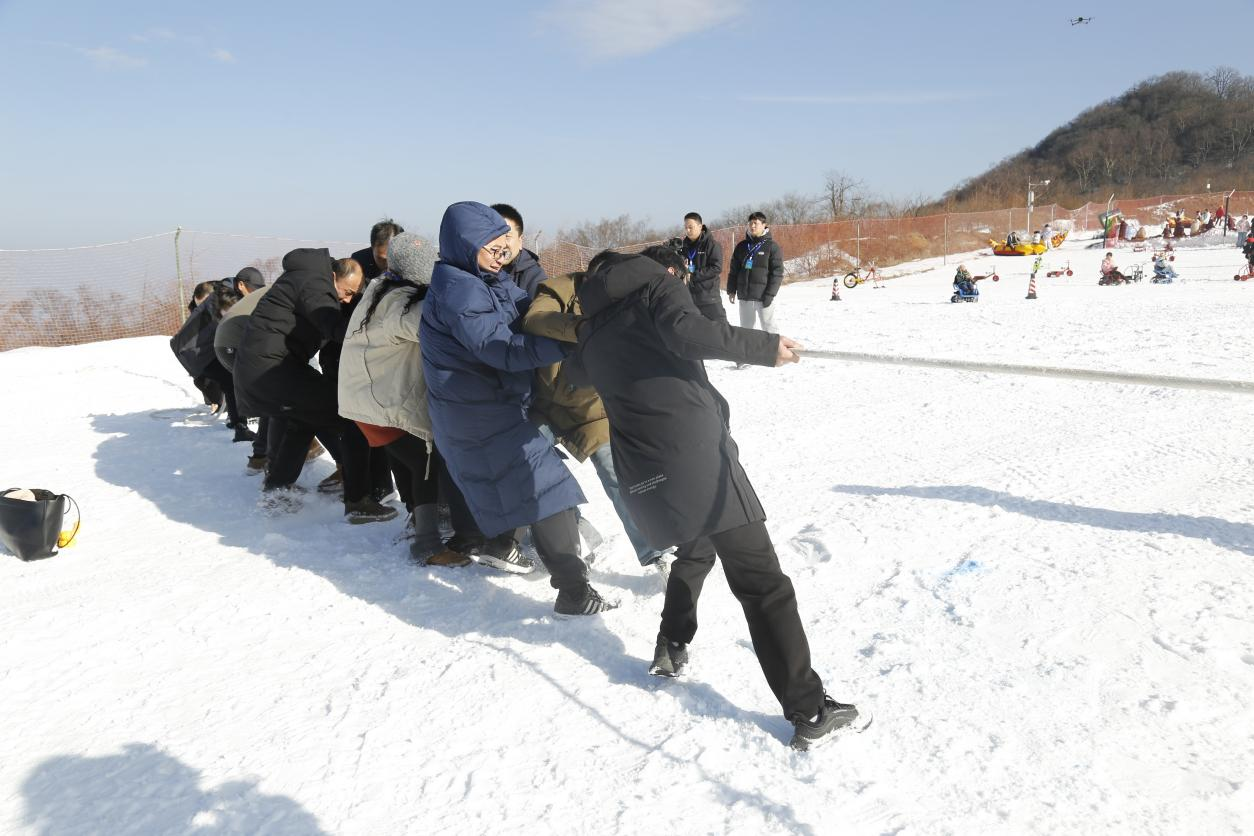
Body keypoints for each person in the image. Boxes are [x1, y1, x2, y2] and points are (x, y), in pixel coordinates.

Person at [572, 249, 867, 750]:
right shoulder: (655, 288)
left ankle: (671, 642)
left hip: (646, 471)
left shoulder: (589, 330)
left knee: (698, 546)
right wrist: (764, 346)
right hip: (697, 460)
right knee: (762, 584)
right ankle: (809, 708)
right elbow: (688, 332)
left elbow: (583, 377)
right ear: (666, 270)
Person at [420, 201, 614, 616]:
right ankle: (574, 592)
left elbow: (526, 310)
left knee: (535, 488)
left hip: (493, 405)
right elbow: (501, 348)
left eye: (502, 247)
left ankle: (551, 575)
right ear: (463, 244)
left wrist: (571, 314)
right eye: (490, 248)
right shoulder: (460, 289)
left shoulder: (484, 278)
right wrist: (569, 342)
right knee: (547, 489)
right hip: (475, 413)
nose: (499, 256)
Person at [520, 250, 677, 585]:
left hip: (593, 409)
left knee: (618, 476)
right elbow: (535, 319)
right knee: (526, 462)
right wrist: (583, 328)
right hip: (546, 403)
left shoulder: (630, 303)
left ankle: (658, 551)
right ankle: (546, 533)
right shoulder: (559, 289)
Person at [338, 232, 474, 567]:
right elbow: (437, 327)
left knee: (413, 462)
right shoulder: (401, 302)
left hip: (370, 399)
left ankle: (425, 521)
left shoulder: (382, 287)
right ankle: (427, 545)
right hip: (382, 403)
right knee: (427, 462)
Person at [234, 249, 394, 522]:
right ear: (333, 276)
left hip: (265, 369)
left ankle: (277, 488)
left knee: (302, 420)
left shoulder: (304, 277)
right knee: (352, 415)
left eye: (352, 296)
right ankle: (358, 500)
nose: (346, 299)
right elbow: (331, 323)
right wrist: (379, 331)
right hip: (273, 370)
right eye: (346, 291)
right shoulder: (314, 282)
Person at [170, 279, 253, 442]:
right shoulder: (223, 301)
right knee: (231, 379)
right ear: (241, 286)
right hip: (194, 352)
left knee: (230, 379)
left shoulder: (220, 296)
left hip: (192, 350)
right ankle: (239, 426)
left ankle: (236, 420)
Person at [727, 211, 784, 336]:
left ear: (764, 225)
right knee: (746, 330)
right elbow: (734, 270)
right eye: (750, 223)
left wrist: (770, 294)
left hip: (763, 296)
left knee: (769, 327)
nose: (752, 226)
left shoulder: (772, 246)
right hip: (745, 296)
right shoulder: (741, 246)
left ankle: (774, 352)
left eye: (755, 223)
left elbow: (777, 273)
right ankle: (748, 354)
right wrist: (731, 289)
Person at [491, 203, 548, 300]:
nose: (501, 244)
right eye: (494, 237)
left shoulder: (535, 278)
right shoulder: (471, 271)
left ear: (520, 240)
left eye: (507, 237)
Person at [678, 212, 726, 322]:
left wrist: (693, 275)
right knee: (698, 331)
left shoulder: (712, 245)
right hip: (690, 297)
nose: (688, 231)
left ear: (700, 226)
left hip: (709, 298)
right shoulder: (684, 247)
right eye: (686, 228)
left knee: (721, 329)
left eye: (691, 227)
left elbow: (716, 268)